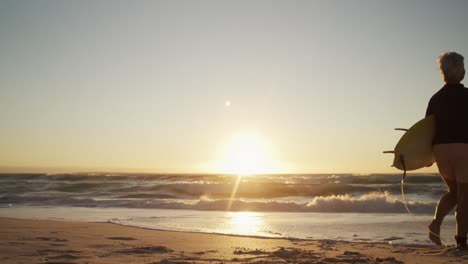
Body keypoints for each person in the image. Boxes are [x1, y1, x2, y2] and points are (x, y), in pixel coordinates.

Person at [425, 52, 468, 249]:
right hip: (463, 150)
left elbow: (427, 130)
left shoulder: (435, 98)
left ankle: (436, 222)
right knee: (464, 196)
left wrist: (428, 156)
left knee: (453, 192)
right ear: (461, 71)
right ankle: (461, 242)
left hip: (440, 150)